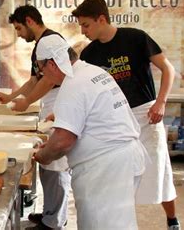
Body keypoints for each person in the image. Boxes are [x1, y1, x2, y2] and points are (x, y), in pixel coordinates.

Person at [72, 0, 179, 230]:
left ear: (101, 19)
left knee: (159, 172)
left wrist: (161, 102)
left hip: (147, 114)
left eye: (86, 25)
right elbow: (87, 91)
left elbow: (167, 69)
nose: (83, 31)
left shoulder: (136, 38)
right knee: (120, 177)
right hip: (115, 121)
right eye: (81, 26)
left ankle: (172, 220)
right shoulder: (89, 55)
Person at [33, 34, 148, 229]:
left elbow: (63, 141)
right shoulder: (90, 72)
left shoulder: (73, 83)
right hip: (122, 161)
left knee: (101, 225)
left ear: (52, 64)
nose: (42, 74)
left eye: (41, 68)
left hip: (105, 170)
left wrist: (43, 155)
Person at [0, 5, 70, 230]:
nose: (19, 35)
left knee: (56, 163)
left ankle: (55, 221)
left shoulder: (51, 41)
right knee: (48, 165)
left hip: (59, 100)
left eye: (19, 28)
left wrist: (26, 102)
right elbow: (33, 81)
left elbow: (48, 80)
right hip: (50, 102)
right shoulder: (40, 45)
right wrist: (12, 97)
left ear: (29, 21)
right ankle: (50, 213)